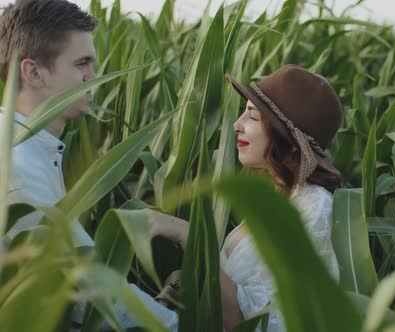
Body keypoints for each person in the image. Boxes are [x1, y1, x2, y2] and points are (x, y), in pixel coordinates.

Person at [0, 1, 185, 330]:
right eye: (82, 64)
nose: (94, 78)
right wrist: (180, 325)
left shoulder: (27, 146)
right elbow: (91, 292)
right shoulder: (19, 165)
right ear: (33, 72)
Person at [220, 64, 343, 331]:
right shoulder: (278, 197)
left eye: (252, 117)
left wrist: (188, 239)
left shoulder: (314, 208)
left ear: (286, 138)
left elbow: (263, 322)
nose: (236, 125)